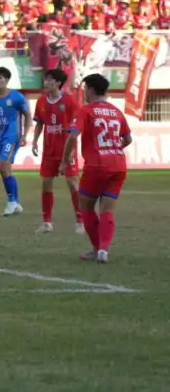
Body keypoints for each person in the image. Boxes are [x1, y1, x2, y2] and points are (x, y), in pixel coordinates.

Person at [61, 73, 132, 263]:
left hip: (97, 165)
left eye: (85, 89)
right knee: (107, 209)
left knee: (85, 205)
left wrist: (65, 160)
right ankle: (103, 250)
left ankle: (96, 247)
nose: (84, 92)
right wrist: (113, 148)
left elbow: (73, 135)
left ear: (90, 90)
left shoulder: (86, 110)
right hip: (118, 165)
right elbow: (127, 139)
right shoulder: (116, 111)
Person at [31, 68, 83, 235]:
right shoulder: (41, 101)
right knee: (46, 183)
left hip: (66, 150)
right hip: (49, 150)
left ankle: (81, 221)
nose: (46, 83)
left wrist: (71, 149)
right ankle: (47, 222)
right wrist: (35, 140)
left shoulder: (69, 101)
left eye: (49, 80)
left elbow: (77, 125)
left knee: (72, 183)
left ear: (58, 83)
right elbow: (39, 122)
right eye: (45, 79)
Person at [0, 66, 32, 216]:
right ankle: (16, 203)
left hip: (13, 136)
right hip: (0, 136)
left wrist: (24, 135)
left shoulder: (17, 97)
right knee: (5, 169)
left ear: (6, 80)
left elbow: (28, 115)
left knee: (2, 165)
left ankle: (12, 202)